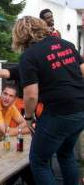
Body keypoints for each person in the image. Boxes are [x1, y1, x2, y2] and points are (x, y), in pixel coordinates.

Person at [12, 16, 84, 185]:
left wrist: (28, 117)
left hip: (59, 113)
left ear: (21, 35)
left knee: (39, 161)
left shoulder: (28, 56)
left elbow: (31, 95)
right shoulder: (66, 44)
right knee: (66, 154)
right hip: (81, 109)